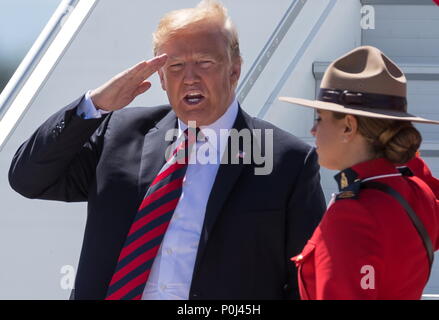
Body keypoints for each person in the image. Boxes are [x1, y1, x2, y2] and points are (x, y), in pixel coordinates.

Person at [9, 1, 326, 300]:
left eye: (204, 62)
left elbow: (306, 282)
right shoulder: (118, 133)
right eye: (174, 66)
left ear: (234, 70)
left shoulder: (286, 160)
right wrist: (95, 105)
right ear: (159, 77)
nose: (190, 77)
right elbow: (28, 178)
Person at [280, 45, 439, 300]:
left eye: (320, 118)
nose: (313, 130)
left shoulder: (351, 214)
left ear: (348, 127)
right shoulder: (417, 191)